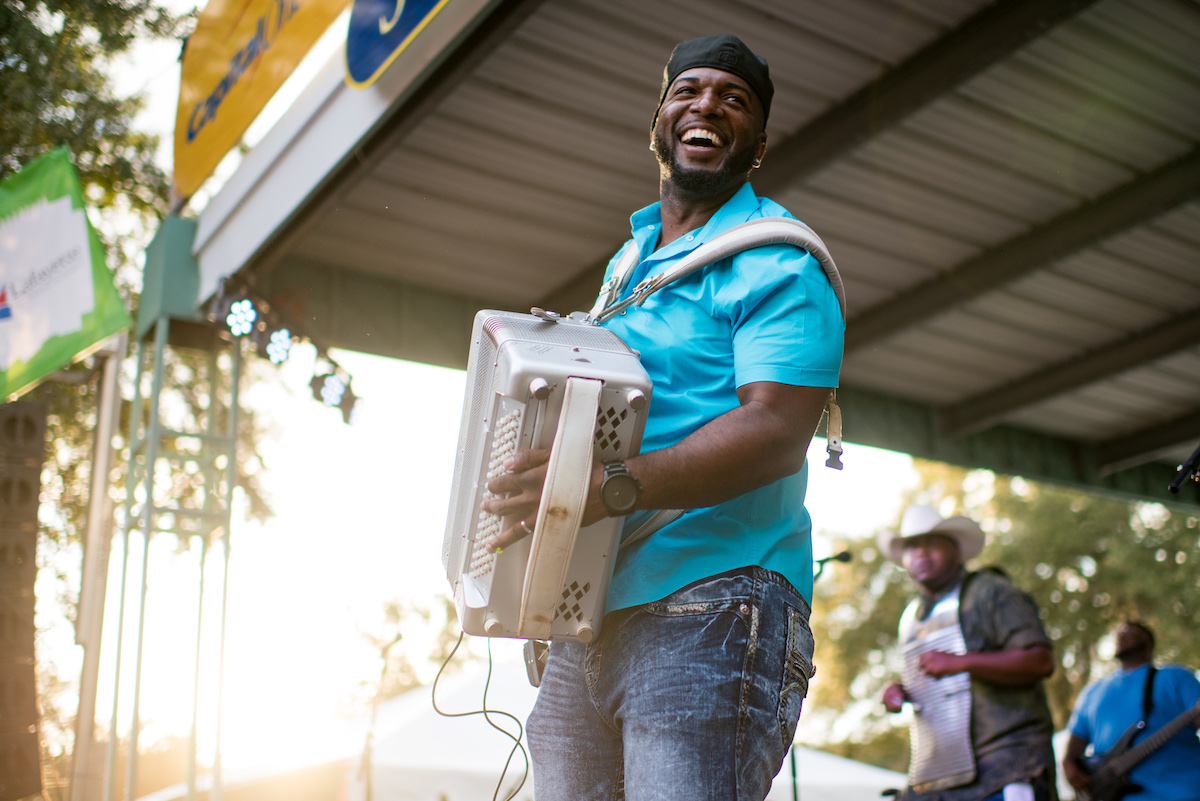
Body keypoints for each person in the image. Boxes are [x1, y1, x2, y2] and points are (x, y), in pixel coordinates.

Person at [480, 34, 844, 801]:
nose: (706, 104)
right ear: (659, 123)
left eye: (732, 99)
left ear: (759, 143)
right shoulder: (630, 260)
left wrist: (606, 485)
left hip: (715, 602)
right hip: (596, 615)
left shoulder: (781, 261)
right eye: (689, 90)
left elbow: (777, 431)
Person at [878, 504, 1057, 801]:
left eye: (932, 543)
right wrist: (901, 691)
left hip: (1005, 764)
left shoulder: (992, 591)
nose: (921, 553)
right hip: (940, 775)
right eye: (912, 547)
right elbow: (936, 686)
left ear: (957, 552)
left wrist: (959, 663)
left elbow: (1039, 661)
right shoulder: (910, 618)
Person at [1063, 621, 1200, 800]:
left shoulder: (1176, 676)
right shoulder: (1092, 692)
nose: (1122, 632)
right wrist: (1070, 765)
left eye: (1131, 630)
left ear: (1149, 644)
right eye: (1119, 630)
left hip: (1180, 793)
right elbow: (1075, 746)